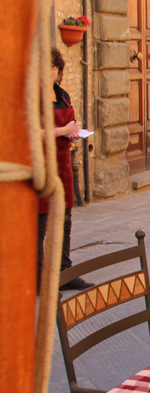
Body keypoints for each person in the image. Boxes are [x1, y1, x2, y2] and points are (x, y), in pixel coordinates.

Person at [38, 48, 93, 292]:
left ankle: (64, 271)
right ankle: (38, 278)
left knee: (64, 221)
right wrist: (62, 130)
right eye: (45, 66)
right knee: (39, 224)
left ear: (58, 70)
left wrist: (74, 131)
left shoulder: (63, 95)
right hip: (40, 165)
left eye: (53, 67)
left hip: (63, 163)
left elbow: (65, 126)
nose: (50, 71)